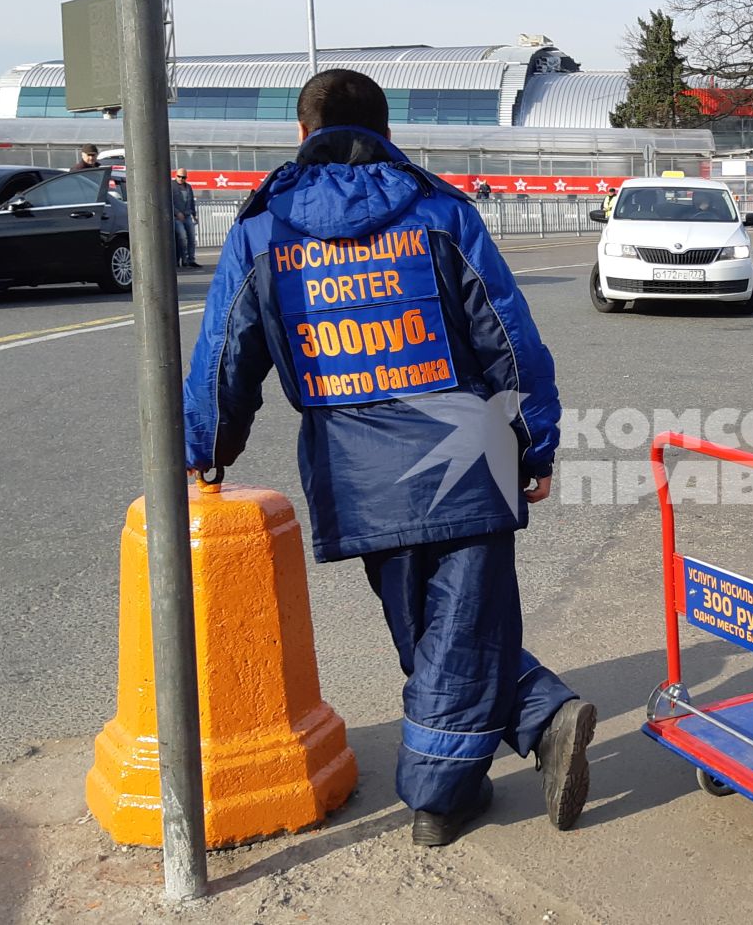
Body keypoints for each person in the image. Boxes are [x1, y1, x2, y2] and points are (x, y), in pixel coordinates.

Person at [181, 68, 594, 848]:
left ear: (301, 136)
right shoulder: (440, 212)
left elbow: (222, 356)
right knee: (458, 629)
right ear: (387, 133)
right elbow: (509, 336)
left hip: (359, 471)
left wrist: (207, 449)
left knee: (429, 630)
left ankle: (468, 775)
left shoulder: (262, 230)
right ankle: (495, 754)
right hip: (468, 447)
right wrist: (536, 440)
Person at [171, 169, 199, 268]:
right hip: (176, 217)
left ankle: (191, 259)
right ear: (176, 175)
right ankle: (184, 259)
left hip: (187, 215)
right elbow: (169, 201)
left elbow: (191, 202)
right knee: (182, 237)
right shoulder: (171, 186)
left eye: (184, 177)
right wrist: (177, 212)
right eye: (179, 176)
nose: (181, 179)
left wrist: (194, 215)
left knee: (192, 237)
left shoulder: (188, 187)